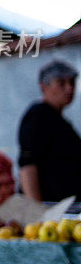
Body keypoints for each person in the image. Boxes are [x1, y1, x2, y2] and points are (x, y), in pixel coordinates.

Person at [18, 59, 81, 202]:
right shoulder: (37, 117)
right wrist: (38, 213)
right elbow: (27, 166)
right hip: (51, 211)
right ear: (43, 87)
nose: (69, 88)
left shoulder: (60, 120)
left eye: (72, 82)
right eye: (61, 83)